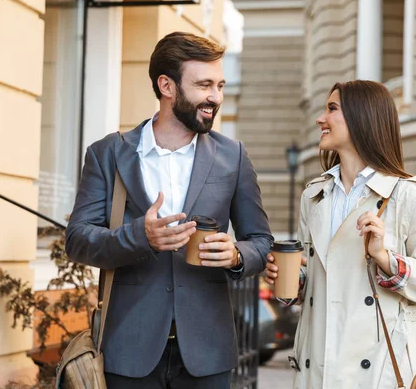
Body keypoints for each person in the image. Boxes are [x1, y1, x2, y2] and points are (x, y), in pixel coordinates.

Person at [65, 31, 273, 388]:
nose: (215, 97)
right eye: (204, 84)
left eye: (220, 85)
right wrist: (139, 236)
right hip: (128, 352)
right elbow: (78, 240)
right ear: (167, 85)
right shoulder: (108, 154)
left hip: (208, 354)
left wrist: (237, 255)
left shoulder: (233, 156)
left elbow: (261, 240)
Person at [265, 80, 416, 389]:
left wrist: (383, 257)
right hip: (318, 365)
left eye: (332, 109)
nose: (320, 119)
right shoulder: (314, 196)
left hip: (382, 370)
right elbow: (319, 283)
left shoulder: (410, 196)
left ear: (361, 117)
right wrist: (289, 280)